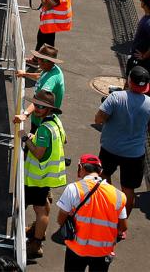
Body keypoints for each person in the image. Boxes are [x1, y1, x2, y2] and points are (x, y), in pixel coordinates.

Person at [55, 154, 128, 270]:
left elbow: (60, 220)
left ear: (80, 167)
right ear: (100, 171)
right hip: (103, 252)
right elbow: (123, 227)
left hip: (76, 249)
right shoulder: (119, 195)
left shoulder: (73, 189)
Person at [95, 65, 150, 215]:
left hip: (110, 148)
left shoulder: (115, 97)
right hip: (135, 154)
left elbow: (99, 119)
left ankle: (107, 211)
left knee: (104, 177)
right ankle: (121, 223)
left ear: (129, 81)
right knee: (128, 189)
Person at [22, 88, 68, 259]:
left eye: (41, 107)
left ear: (49, 109)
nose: (37, 109)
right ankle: (38, 231)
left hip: (39, 178)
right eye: (36, 105)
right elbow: (64, 139)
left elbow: (38, 153)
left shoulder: (43, 129)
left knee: (40, 209)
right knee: (44, 206)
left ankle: (36, 243)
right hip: (48, 175)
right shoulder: (56, 122)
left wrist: (26, 138)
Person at [15, 46, 65, 128]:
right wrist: (24, 74)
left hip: (43, 122)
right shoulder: (51, 69)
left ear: (50, 62)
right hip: (38, 117)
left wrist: (25, 115)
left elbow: (41, 100)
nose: (39, 61)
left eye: (42, 59)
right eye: (38, 58)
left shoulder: (51, 80)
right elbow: (41, 76)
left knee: (33, 136)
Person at [129, 0, 150, 76]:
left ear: (144, 4)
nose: (140, 1)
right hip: (138, 55)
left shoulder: (148, 23)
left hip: (139, 59)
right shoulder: (147, 17)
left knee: (131, 79)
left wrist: (144, 56)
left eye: (141, 0)